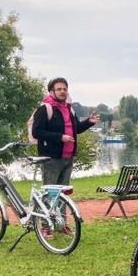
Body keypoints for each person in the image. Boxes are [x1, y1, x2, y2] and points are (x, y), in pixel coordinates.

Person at [31, 77, 99, 235]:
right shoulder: (45, 109)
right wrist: (60, 137)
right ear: (51, 91)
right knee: (49, 193)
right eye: (59, 89)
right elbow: (37, 132)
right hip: (51, 158)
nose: (62, 92)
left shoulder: (69, 109)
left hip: (68, 157)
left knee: (62, 194)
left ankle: (61, 224)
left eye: (64, 89)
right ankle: (46, 227)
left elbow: (76, 129)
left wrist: (89, 122)